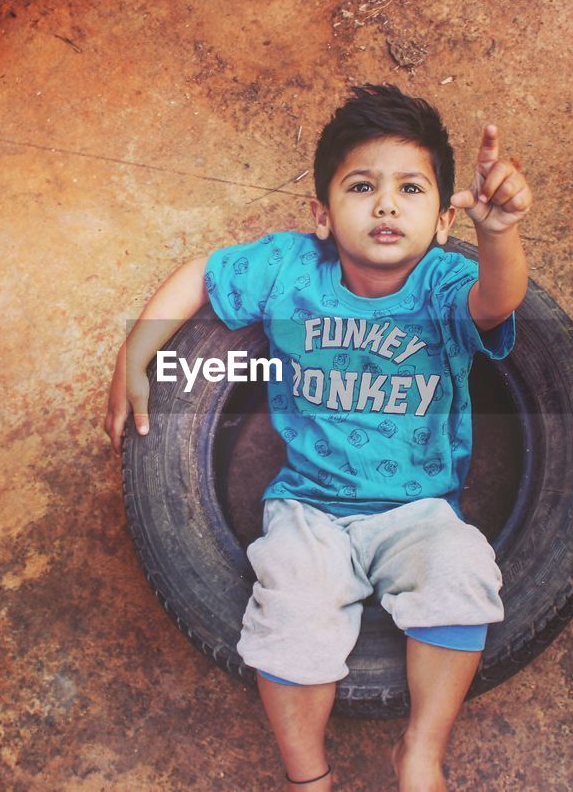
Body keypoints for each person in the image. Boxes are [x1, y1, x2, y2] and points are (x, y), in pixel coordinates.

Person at [107, 84, 530, 790]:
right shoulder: (291, 269)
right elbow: (204, 276)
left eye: (411, 189)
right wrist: (137, 351)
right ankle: (309, 778)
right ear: (322, 216)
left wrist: (499, 232)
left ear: (444, 220)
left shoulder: (445, 283)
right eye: (362, 186)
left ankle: (420, 751)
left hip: (417, 508)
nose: (387, 205)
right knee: (289, 617)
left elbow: (499, 301)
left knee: (462, 570)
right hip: (309, 508)